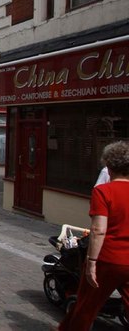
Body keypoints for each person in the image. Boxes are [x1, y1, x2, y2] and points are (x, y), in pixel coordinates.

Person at [57, 141, 129, 331]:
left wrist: (91, 262)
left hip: (109, 258)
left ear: (109, 165)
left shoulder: (104, 191)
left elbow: (98, 229)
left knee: (86, 306)